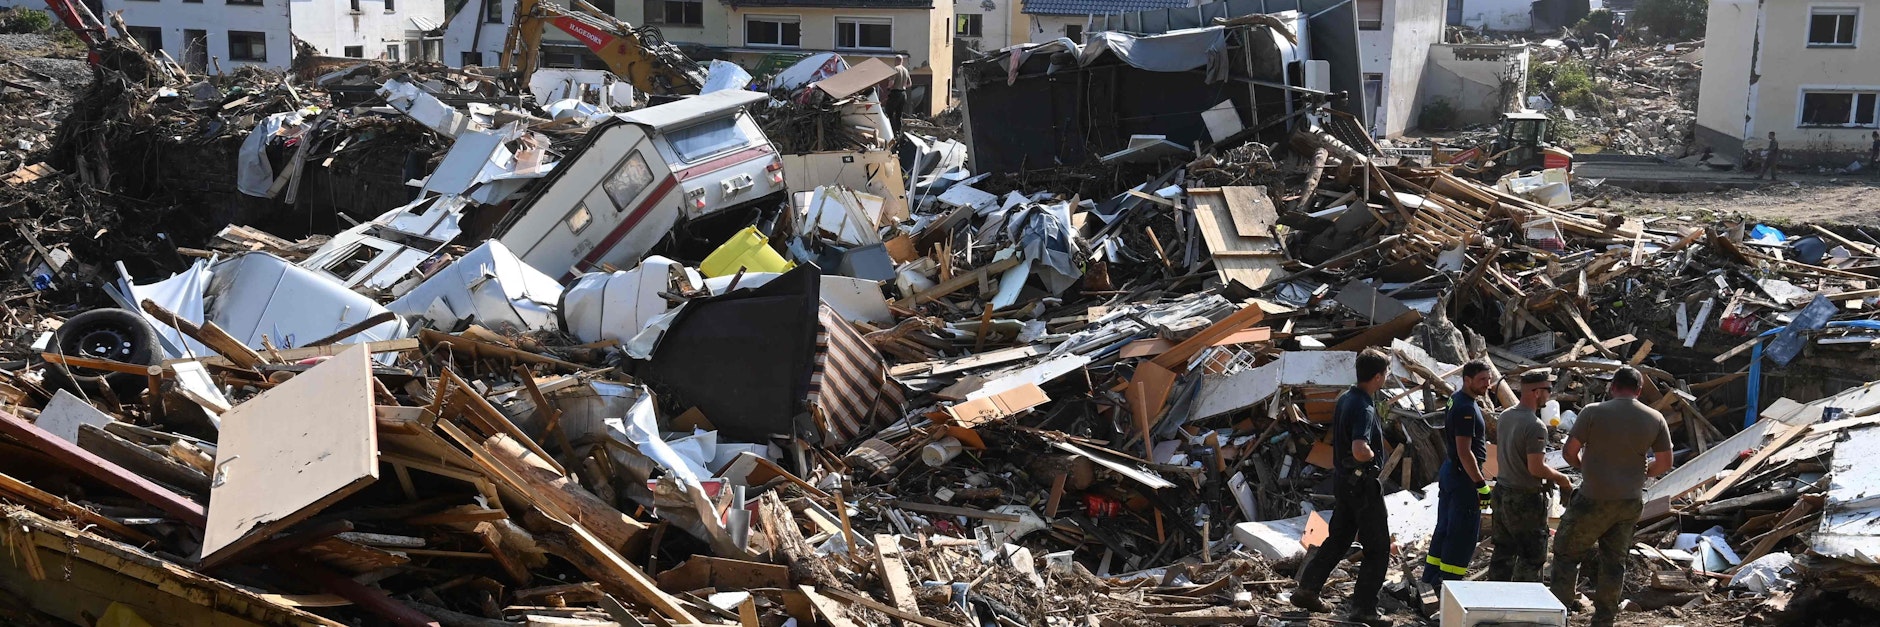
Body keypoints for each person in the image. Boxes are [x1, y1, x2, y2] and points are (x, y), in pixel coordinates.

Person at [1548, 367, 1672, 627]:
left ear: (1612, 386)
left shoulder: (1592, 412)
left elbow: (1569, 452)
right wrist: (1642, 475)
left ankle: (1558, 617)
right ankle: (1604, 621)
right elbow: (1665, 462)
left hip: (1593, 498)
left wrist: (1586, 468)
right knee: (1614, 563)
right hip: (1629, 502)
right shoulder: (1655, 418)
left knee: (1566, 554)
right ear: (1639, 390)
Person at [1291, 348, 1394, 627]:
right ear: (1377, 376)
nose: (1386, 377)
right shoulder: (1364, 406)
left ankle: (1307, 589)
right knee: (1378, 547)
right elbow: (1360, 448)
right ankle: (1364, 609)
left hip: (1345, 483)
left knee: (1339, 539)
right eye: (1385, 373)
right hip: (1362, 485)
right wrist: (1372, 456)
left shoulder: (1347, 397)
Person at [1486, 370, 1574, 582]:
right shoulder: (1535, 426)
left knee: (1503, 553)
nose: (1550, 396)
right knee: (1531, 556)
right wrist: (1562, 480)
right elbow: (1536, 468)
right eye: (1548, 390)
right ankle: (1523, 605)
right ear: (1536, 392)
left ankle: (1493, 601)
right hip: (1524, 499)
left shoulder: (1506, 416)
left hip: (1502, 493)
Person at [1422, 361, 1493, 588]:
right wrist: (1481, 485)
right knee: (1462, 533)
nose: (1488, 384)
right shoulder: (1466, 409)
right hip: (1463, 477)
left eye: (1489, 379)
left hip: (1451, 471)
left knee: (1444, 526)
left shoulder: (1456, 398)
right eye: (1482, 380)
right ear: (1467, 380)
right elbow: (1465, 452)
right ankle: (1448, 584)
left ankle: (1430, 578)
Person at [878, 55, 913, 145]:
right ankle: (898, 132)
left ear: (896, 60)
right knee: (898, 115)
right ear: (902, 61)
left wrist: (888, 88)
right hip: (903, 94)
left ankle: (890, 132)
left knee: (888, 112)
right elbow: (910, 84)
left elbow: (891, 82)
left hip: (895, 93)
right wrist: (903, 86)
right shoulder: (905, 70)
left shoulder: (895, 69)